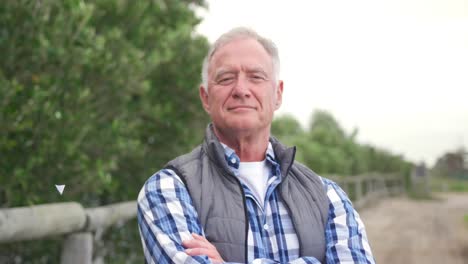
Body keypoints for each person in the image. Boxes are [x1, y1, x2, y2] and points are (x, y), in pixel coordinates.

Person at [137, 27, 375, 264]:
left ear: (278, 94)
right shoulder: (167, 189)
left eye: (256, 77)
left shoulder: (327, 196)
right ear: (206, 97)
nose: (241, 90)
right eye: (226, 78)